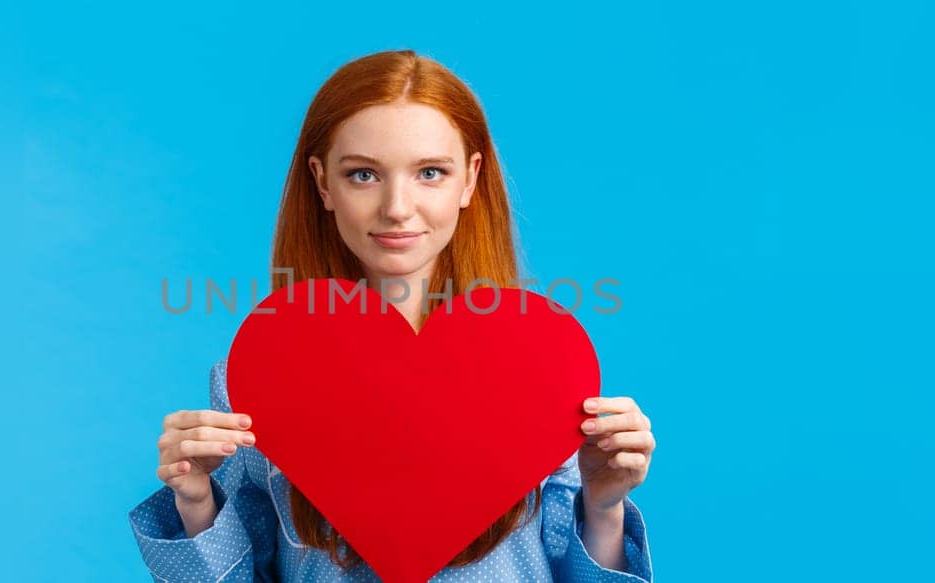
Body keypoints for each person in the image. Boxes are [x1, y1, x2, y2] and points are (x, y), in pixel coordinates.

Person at [130, 49, 657, 582]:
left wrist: (605, 506)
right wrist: (195, 502)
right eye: (363, 174)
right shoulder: (258, 380)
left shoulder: (543, 370)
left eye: (430, 172)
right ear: (322, 183)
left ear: (469, 180)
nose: (398, 207)